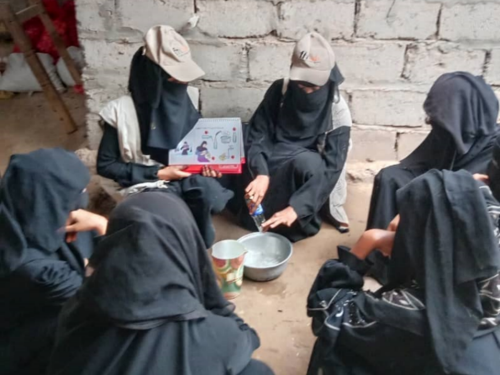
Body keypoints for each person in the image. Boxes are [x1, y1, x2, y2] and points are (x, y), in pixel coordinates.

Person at [47, 192, 274, 375]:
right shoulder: (213, 337)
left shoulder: (78, 310)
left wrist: (104, 227)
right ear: (189, 246)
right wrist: (212, 293)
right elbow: (247, 337)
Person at [306, 168, 500, 375]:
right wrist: (467, 187)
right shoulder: (487, 273)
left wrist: (368, 242)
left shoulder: (404, 311)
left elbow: (326, 308)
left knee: (335, 345)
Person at [96, 25, 232, 248]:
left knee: (213, 196)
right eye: (174, 79)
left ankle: (188, 234)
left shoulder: (187, 96)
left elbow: (197, 143)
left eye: (183, 80)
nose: (181, 85)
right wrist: (159, 173)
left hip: (183, 174)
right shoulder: (120, 112)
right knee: (165, 214)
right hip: (145, 182)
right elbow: (105, 165)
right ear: (155, 77)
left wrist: (207, 163)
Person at [366, 72, 499, 283]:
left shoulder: (494, 152)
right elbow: (429, 159)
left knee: (421, 199)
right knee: (390, 177)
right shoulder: (455, 129)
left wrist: (425, 195)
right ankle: (381, 259)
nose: (432, 124)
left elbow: (476, 197)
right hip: (440, 175)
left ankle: (409, 267)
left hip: (463, 199)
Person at [228, 32, 351, 242]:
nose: (307, 92)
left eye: (314, 87)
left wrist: (296, 208)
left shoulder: (337, 110)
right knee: (241, 142)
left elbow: (332, 167)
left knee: (307, 165)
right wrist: (261, 173)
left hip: (306, 165)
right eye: (301, 86)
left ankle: (292, 221)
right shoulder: (281, 90)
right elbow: (259, 132)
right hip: (272, 154)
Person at [0, 148, 108, 375]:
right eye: (78, 192)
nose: (84, 196)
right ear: (49, 200)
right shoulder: (34, 268)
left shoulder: (22, 211)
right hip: (25, 342)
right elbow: (102, 298)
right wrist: (102, 226)